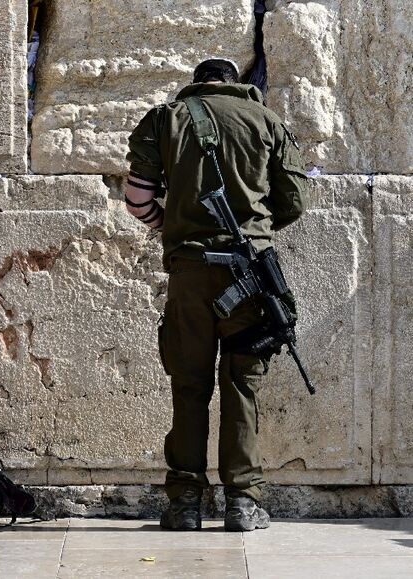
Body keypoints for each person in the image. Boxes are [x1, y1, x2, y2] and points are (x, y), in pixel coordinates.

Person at [125, 58, 308, 532]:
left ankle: (184, 504)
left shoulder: (165, 119)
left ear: (197, 82)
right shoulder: (268, 122)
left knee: (189, 386)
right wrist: (256, 235)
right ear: (234, 84)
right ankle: (242, 504)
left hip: (190, 275)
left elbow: (137, 199)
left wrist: (171, 229)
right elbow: (293, 202)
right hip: (250, 276)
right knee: (242, 386)